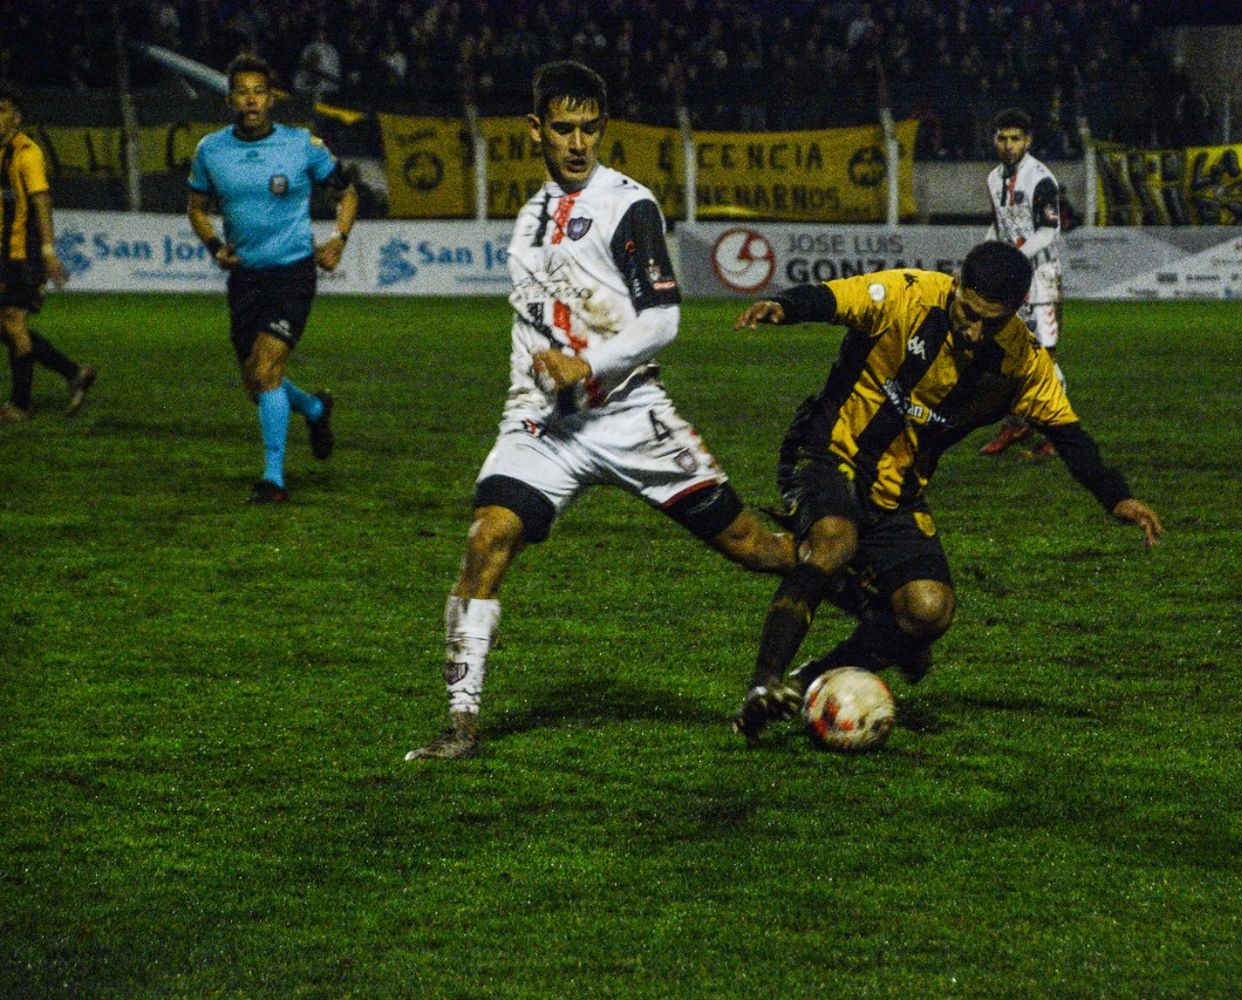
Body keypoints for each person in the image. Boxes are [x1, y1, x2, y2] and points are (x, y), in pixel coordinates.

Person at [406, 61, 797, 761]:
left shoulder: (628, 205)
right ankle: (461, 726)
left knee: (756, 549)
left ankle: (876, 598)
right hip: (545, 425)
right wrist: (537, 393)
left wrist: (587, 365)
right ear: (536, 130)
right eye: (563, 127)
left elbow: (664, 321)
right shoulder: (528, 219)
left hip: (628, 416)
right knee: (487, 538)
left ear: (603, 129)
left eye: (590, 127)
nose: (577, 141)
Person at [731, 241, 1162, 742]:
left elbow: (1067, 433)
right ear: (956, 283)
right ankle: (763, 684)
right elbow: (832, 299)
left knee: (928, 611)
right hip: (828, 450)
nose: (976, 331)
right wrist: (785, 306)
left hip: (899, 490)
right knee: (835, 544)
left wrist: (1116, 497)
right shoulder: (908, 294)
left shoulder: (1021, 360)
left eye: (993, 322)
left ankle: (807, 684)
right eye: (969, 314)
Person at [187, 54, 356, 502]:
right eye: (242, 92)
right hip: (245, 279)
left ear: (272, 97)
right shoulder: (211, 151)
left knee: (266, 371)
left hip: (292, 274)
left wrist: (338, 238)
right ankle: (316, 408)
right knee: (256, 386)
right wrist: (213, 246)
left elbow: (347, 191)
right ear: (229, 100)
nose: (251, 99)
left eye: (259, 91)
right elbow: (196, 208)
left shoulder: (301, 145)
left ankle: (273, 479)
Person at [0, 85, 96, 423]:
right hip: (3, 254)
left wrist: (48, 251)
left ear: (16, 117)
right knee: (7, 327)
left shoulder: (27, 153)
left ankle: (20, 406)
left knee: (12, 322)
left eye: (2, 111)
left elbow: (42, 202)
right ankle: (74, 372)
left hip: (22, 255)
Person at [976, 108, 1066, 459]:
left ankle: (1057, 431)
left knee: (1044, 356)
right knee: (1008, 354)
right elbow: (998, 228)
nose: (1009, 145)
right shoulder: (993, 179)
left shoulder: (1041, 179)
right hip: (1012, 282)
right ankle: (1017, 423)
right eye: (1002, 138)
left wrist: (1014, 256)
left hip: (1043, 280)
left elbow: (1049, 229)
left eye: (1016, 139)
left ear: (1028, 141)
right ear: (994, 139)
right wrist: (980, 259)